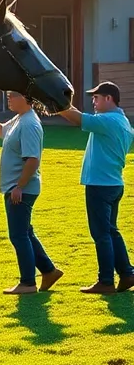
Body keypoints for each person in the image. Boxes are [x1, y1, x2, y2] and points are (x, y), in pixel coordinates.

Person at [0, 90, 63, 294]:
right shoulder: (20, 119)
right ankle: (49, 271)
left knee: (18, 235)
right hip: (17, 188)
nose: (8, 98)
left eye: (13, 95)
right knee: (26, 233)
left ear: (27, 99)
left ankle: (28, 283)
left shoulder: (30, 124)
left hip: (21, 189)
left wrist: (19, 186)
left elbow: (32, 160)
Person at [56, 81, 134, 294]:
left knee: (101, 234)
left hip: (100, 184)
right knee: (111, 231)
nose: (94, 101)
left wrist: (54, 102)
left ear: (109, 98)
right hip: (114, 183)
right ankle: (127, 274)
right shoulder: (123, 121)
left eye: (97, 98)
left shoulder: (106, 121)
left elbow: (76, 118)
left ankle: (106, 281)